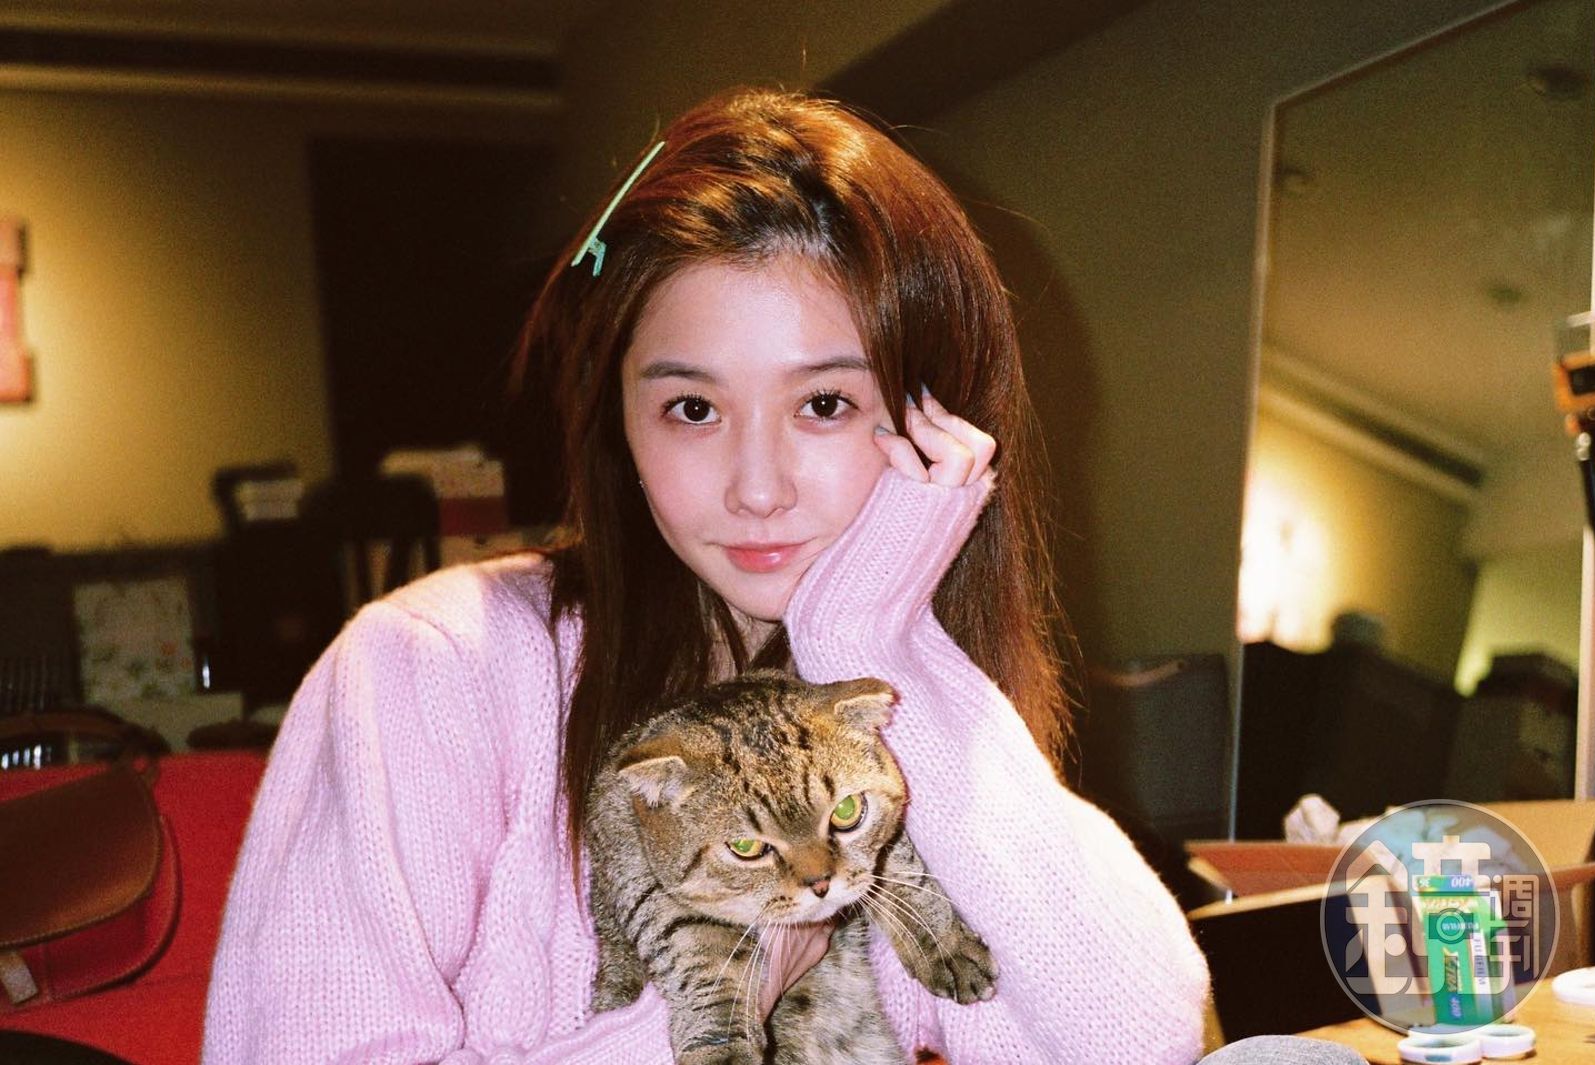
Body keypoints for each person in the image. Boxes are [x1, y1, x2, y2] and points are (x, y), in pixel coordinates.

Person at [203, 88, 1221, 1064]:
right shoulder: (432, 668)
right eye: (691, 409)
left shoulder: (881, 701)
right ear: (619, 424)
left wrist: (876, 643)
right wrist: (722, 1003)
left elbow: (1137, 1039)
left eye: (823, 404)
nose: (757, 488)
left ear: (935, 421)